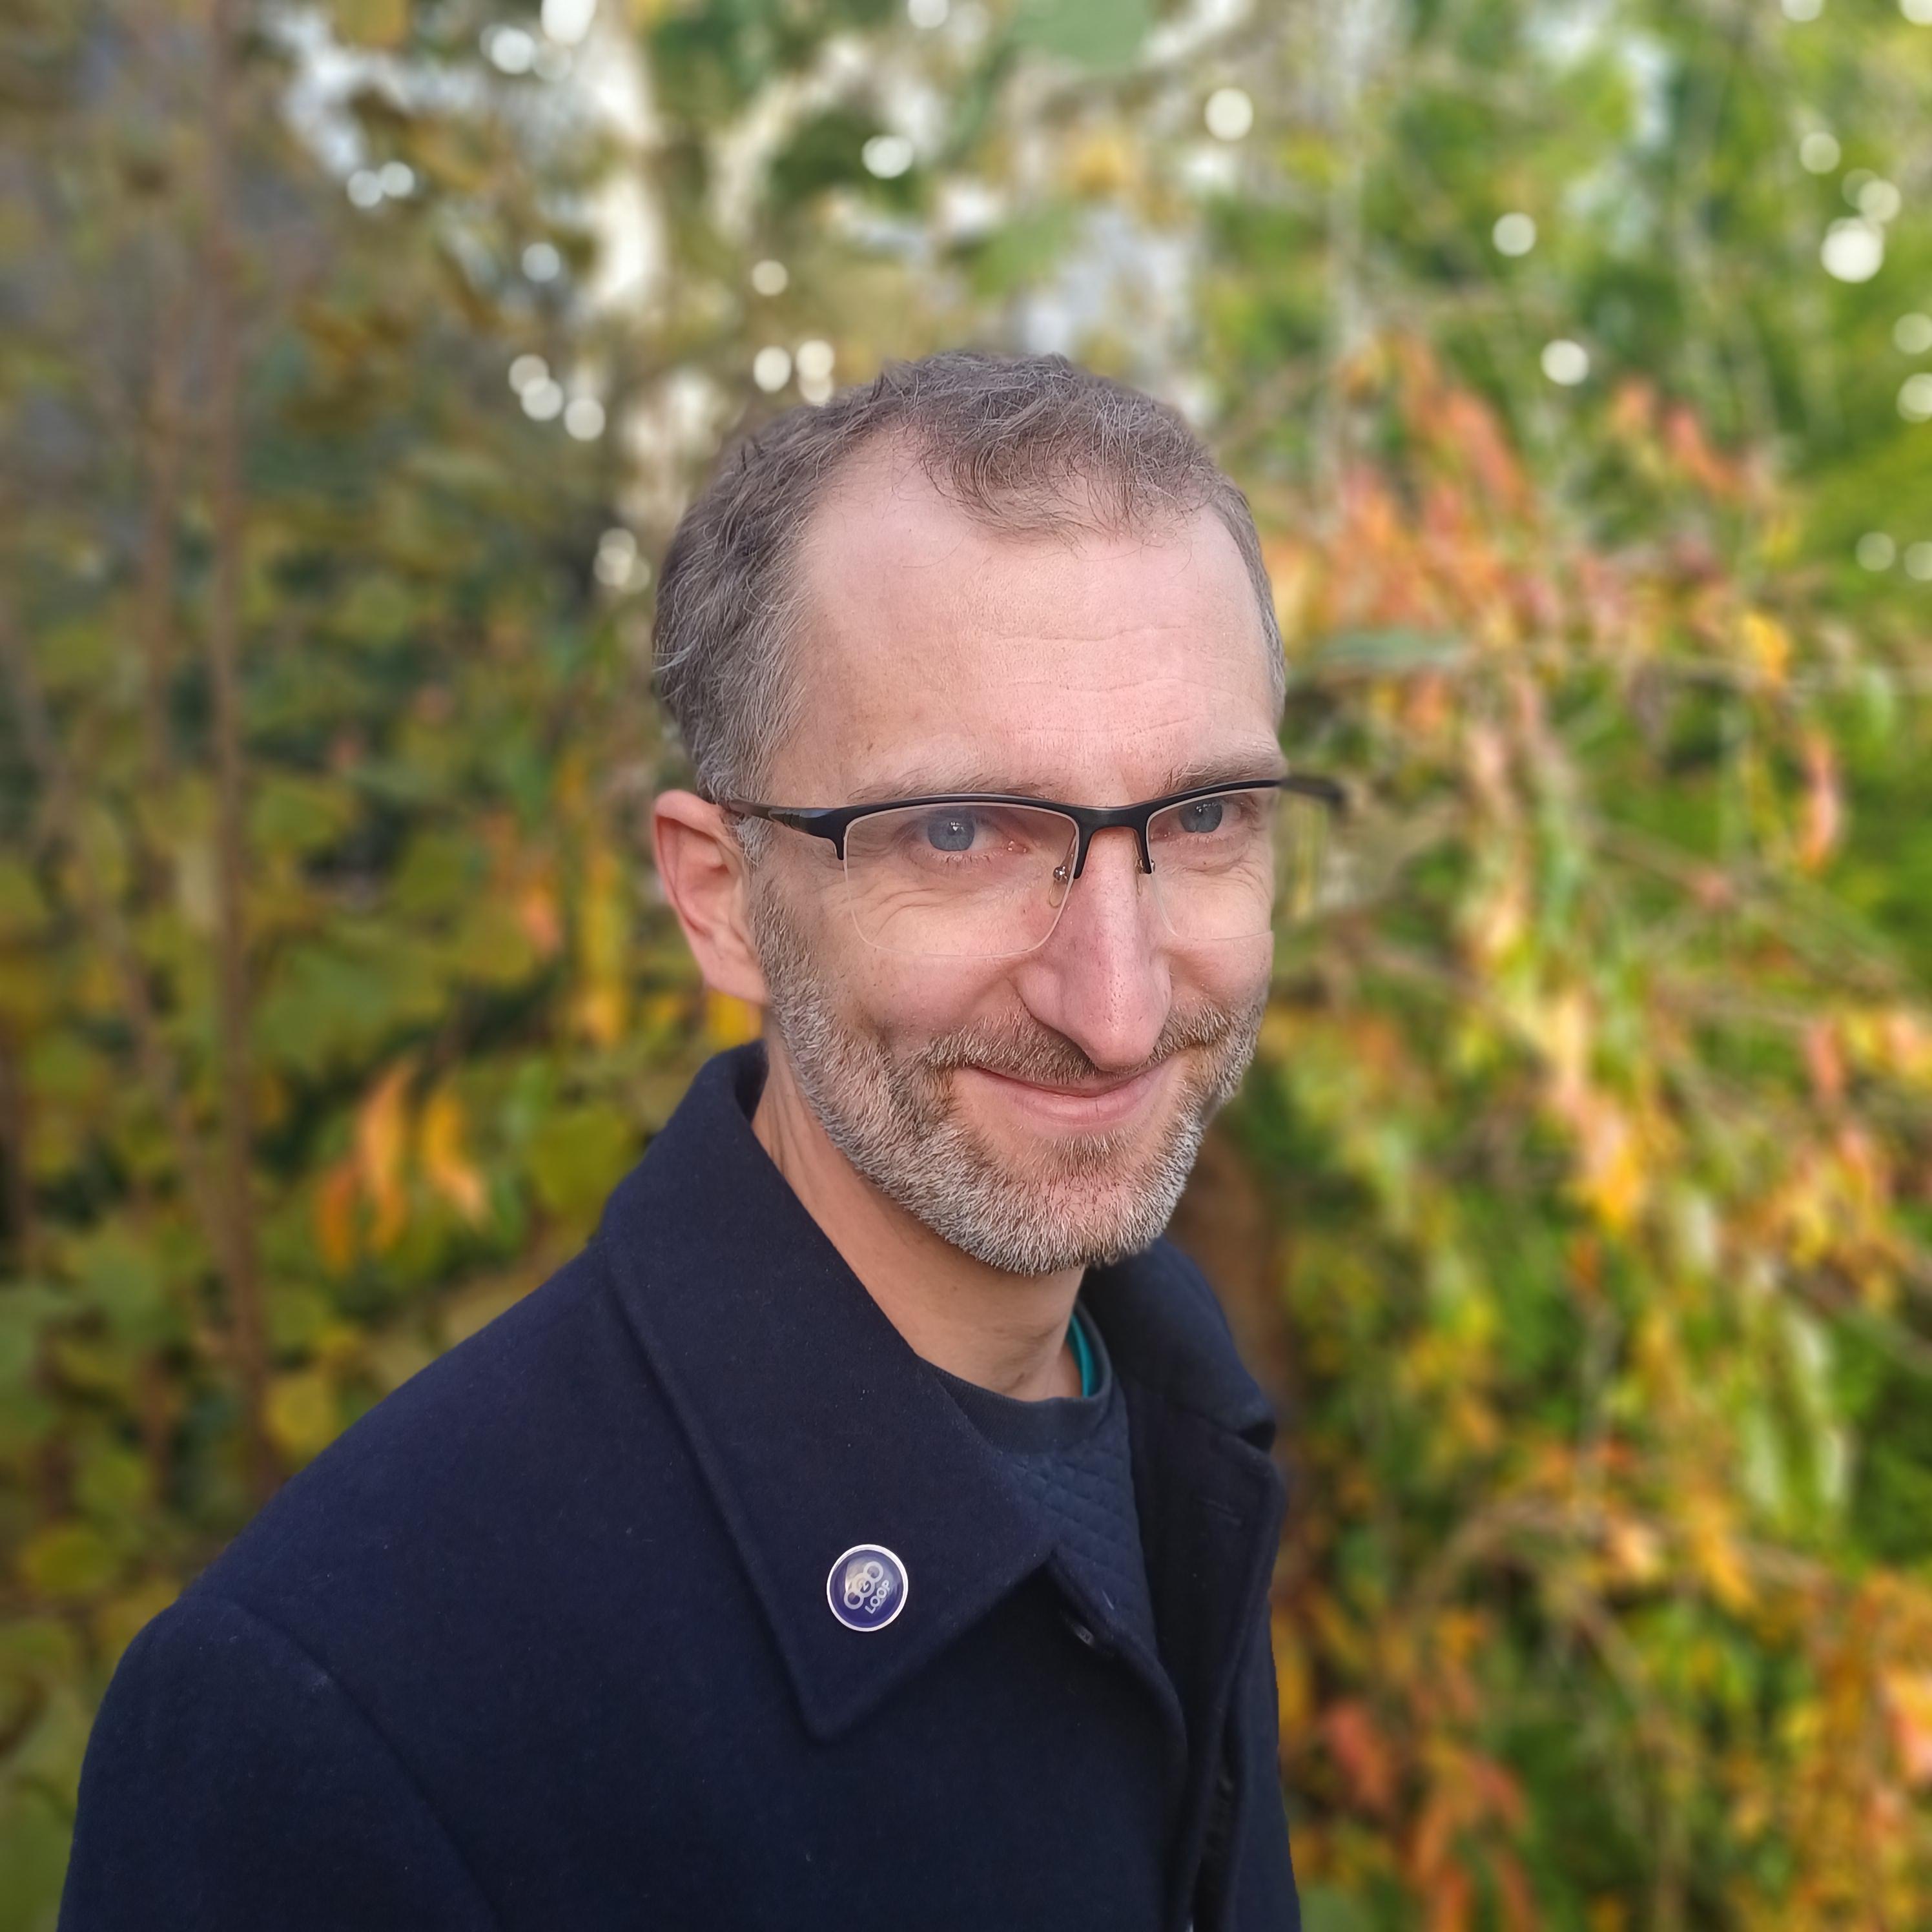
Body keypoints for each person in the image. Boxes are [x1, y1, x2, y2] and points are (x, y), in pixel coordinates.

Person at [57, 351, 1339, 1931]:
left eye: (1202, 818)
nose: (1119, 1000)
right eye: (958, 831)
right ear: (718, 893)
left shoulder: (1176, 1435)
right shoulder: (344, 1714)